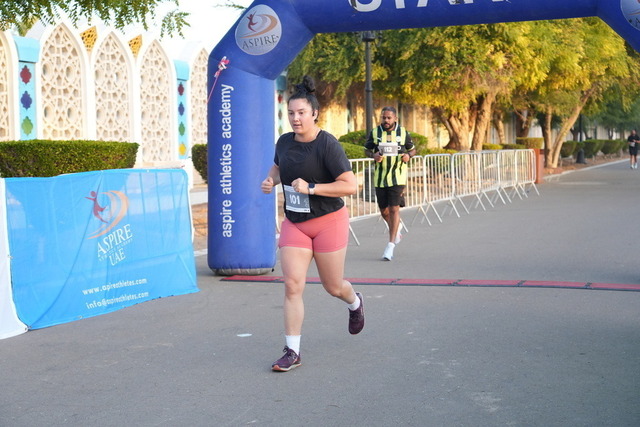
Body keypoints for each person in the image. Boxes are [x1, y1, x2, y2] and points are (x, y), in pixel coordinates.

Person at [261, 75, 365, 372]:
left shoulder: (327, 144)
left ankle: (354, 302)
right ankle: (292, 351)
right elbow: (278, 166)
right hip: (295, 222)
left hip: (328, 221)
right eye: (291, 113)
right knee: (292, 285)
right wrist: (271, 180)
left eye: (302, 113)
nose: (295, 118)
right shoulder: (284, 142)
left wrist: (312, 188)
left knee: (333, 286)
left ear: (314, 113)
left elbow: (350, 185)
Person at [364, 106, 416, 261]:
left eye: (389, 118)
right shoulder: (375, 133)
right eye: (384, 117)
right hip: (380, 178)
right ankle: (397, 227)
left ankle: (390, 246)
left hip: (397, 177)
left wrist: (408, 156)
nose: (386, 120)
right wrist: (373, 155)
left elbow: (412, 150)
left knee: (394, 209)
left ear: (395, 119)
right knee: (384, 211)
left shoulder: (403, 132)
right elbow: (366, 150)